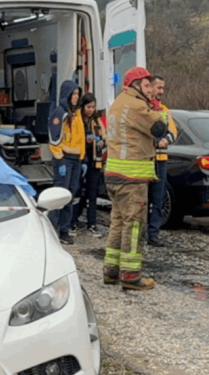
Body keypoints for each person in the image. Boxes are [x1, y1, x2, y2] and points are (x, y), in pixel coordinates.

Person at [102, 67, 168, 291]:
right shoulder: (136, 105)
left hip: (114, 175)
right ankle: (130, 275)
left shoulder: (118, 103)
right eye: (147, 85)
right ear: (135, 85)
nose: (151, 89)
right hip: (132, 178)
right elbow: (159, 128)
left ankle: (111, 271)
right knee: (134, 226)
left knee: (118, 224)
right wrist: (158, 110)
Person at [48, 80, 84, 244]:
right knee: (59, 196)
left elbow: (80, 138)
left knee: (70, 195)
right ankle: (51, 228)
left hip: (75, 160)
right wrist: (59, 159)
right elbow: (54, 138)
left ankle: (64, 230)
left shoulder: (76, 114)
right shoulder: (60, 113)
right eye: (74, 94)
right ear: (67, 94)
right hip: (64, 160)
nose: (76, 97)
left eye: (77, 94)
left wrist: (81, 158)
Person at [146, 75, 178, 247]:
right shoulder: (144, 107)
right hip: (145, 159)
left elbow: (173, 130)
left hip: (161, 160)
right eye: (159, 88)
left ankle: (153, 234)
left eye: (163, 88)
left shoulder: (165, 110)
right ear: (150, 88)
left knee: (157, 199)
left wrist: (167, 139)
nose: (161, 92)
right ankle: (141, 232)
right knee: (142, 199)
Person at [71, 93, 105, 238]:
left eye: (93, 107)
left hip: (94, 161)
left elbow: (105, 136)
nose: (91, 110)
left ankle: (92, 224)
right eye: (88, 106)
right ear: (83, 106)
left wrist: (102, 141)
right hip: (80, 160)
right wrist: (86, 141)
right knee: (77, 192)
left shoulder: (97, 121)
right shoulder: (76, 118)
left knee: (93, 194)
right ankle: (73, 221)